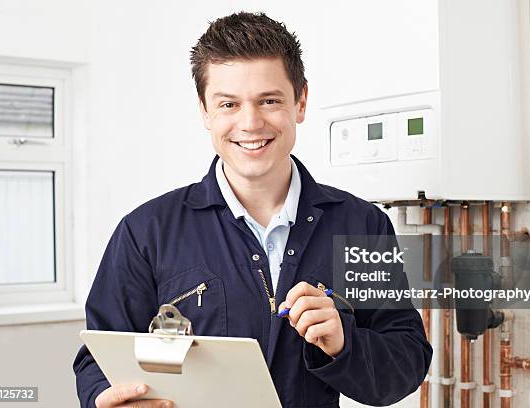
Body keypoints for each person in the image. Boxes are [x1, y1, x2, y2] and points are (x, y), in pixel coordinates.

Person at [73, 11, 432, 408]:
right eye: (228, 103)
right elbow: (99, 360)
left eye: (269, 100)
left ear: (301, 102)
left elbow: (404, 365)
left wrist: (344, 342)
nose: (250, 122)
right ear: (205, 111)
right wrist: (105, 398)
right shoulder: (146, 232)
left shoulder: (362, 225)